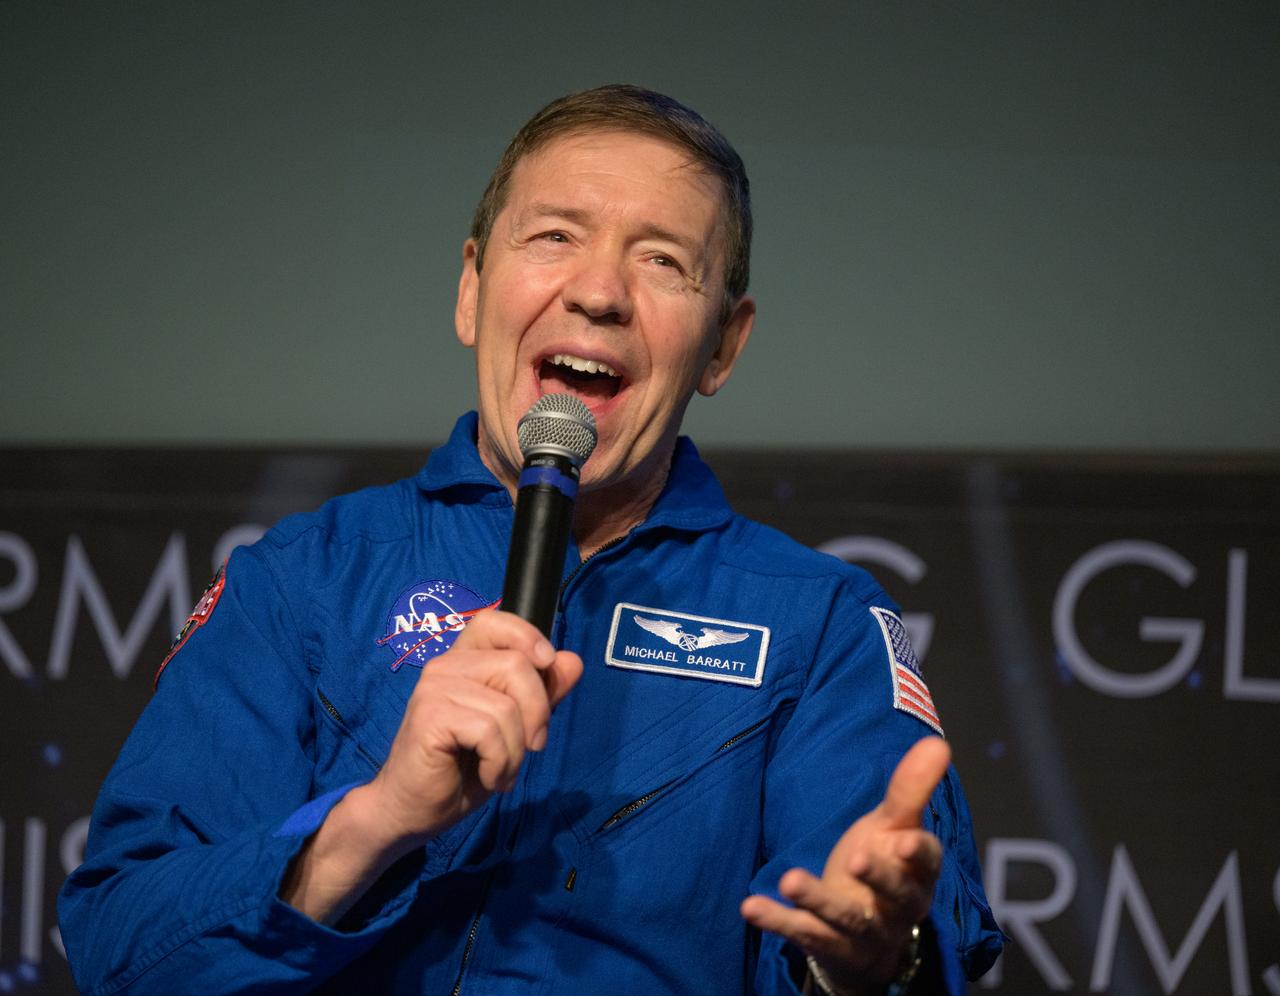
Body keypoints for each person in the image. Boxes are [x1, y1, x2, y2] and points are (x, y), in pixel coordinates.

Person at [60, 84, 1001, 994]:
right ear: (473, 288)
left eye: (664, 261)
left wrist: (857, 967)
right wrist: (376, 820)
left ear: (722, 346)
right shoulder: (301, 581)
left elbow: (884, 934)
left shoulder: (821, 625)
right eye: (554, 236)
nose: (598, 292)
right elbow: (121, 946)